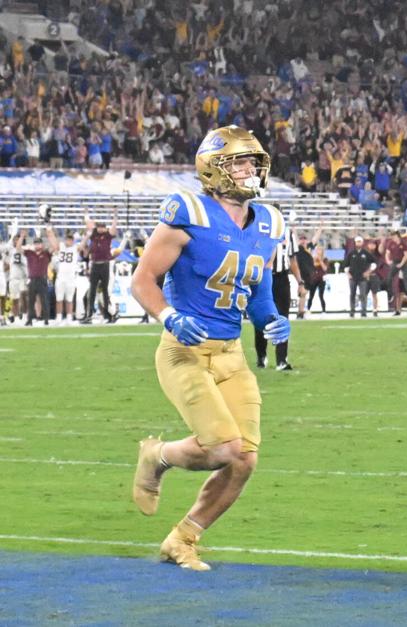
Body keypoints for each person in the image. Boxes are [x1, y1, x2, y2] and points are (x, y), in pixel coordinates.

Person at [128, 125, 291, 571]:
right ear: (213, 169)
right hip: (184, 350)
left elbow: (256, 293)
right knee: (222, 448)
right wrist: (169, 316)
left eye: (253, 163)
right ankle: (156, 456)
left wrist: (270, 319)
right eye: (238, 163)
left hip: (231, 354)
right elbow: (142, 280)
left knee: (244, 460)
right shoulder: (189, 213)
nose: (249, 171)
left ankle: (183, 538)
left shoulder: (269, 221)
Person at [255, 221, 302, 370]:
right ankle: (261, 356)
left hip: (282, 278)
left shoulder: (288, 233)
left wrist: (299, 280)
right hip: (264, 277)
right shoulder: (259, 230)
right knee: (262, 317)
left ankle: (281, 360)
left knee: (283, 317)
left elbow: (293, 260)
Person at [83, 214, 120, 323]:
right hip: (95, 264)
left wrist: (114, 218)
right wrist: (86, 214)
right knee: (92, 291)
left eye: (102, 227)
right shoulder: (94, 234)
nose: (100, 228)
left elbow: (113, 230)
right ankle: (89, 315)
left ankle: (108, 315)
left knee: (105, 291)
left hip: (104, 264)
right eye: (99, 227)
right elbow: (88, 224)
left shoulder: (107, 235)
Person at [345, 236, 377, 317]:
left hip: (362, 278)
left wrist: (368, 272)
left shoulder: (366, 253)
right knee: (352, 294)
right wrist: (348, 274)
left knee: (363, 295)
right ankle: (352, 311)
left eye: (360, 241)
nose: (358, 243)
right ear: (355, 243)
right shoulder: (351, 253)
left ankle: (363, 312)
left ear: (362, 243)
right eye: (357, 242)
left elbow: (374, 263)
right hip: (353, 277)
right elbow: (345, 265)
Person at [54, 230, 81, 324]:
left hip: (70, 278)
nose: (69, 241)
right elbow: (53, 242)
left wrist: (87, 234)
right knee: (59, 298)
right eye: (68, 239)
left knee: (69, 299)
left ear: (73, 241)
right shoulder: (61, 246)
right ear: (65, 239)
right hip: (61, 277)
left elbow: (82, 245)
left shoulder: (75, 248)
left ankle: (69, 317)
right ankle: (59, 317)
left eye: (71, 239)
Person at [307, 245, 328, 313]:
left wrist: (320, 260)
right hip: (314, 279)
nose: (318, 251)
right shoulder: (312, 259)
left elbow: (325, 268)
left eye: (320, 250)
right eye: (317, 250)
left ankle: (324, 311)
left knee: (321, 295)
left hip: (321, 279)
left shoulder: (325, 259)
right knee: (311, 296)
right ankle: (308, 310)